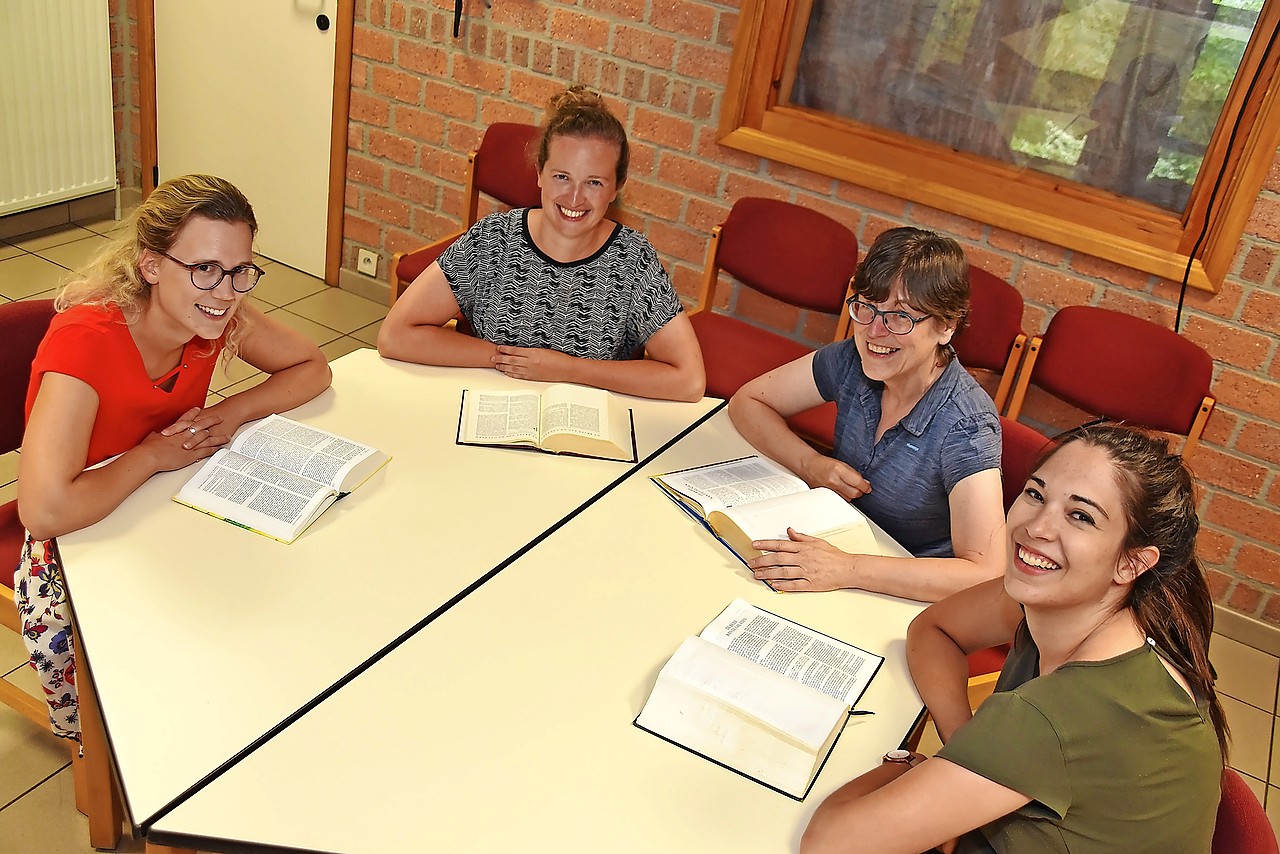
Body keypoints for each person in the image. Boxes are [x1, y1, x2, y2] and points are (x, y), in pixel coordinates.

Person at [801, 424, 1227, 854]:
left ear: (1132, 563)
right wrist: (966, 746)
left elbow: (829, 845)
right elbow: (933, 629)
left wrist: (905, 772)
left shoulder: (1061, 713)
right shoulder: (1095, 606)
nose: (1037, 527)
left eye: (1081, 516)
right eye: (1036, 494)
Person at [15, 174, 332, 741]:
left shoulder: (215, 316)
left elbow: (312, 367)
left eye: (240, 271)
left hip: (160, 498)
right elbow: (43, 511)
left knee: (256, 602)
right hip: (81, 529)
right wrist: (153, 456)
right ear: (152, 265)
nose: (226, 290)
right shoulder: (86, 340)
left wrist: (228, 414)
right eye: (205, 268)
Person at [378, 85, 705, 402]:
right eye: (561, 177)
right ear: (539, 173)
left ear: (617, 187)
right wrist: (510, 360)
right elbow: (395, 335)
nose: (575, 198)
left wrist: (570, 370)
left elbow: (689, 381)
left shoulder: (633, 261)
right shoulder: (494, 240)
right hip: (493, 412)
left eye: (594, 182)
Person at [728, 227, 1004, 601]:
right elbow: (749, 402)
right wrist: (810, 463)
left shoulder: (966, 425)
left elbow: (985, 573)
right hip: (837, 545)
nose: (875, 331)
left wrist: (847, 568)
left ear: (947, 326)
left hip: (902, 588)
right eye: (866, 306)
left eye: (901, 317)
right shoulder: (852, 360)